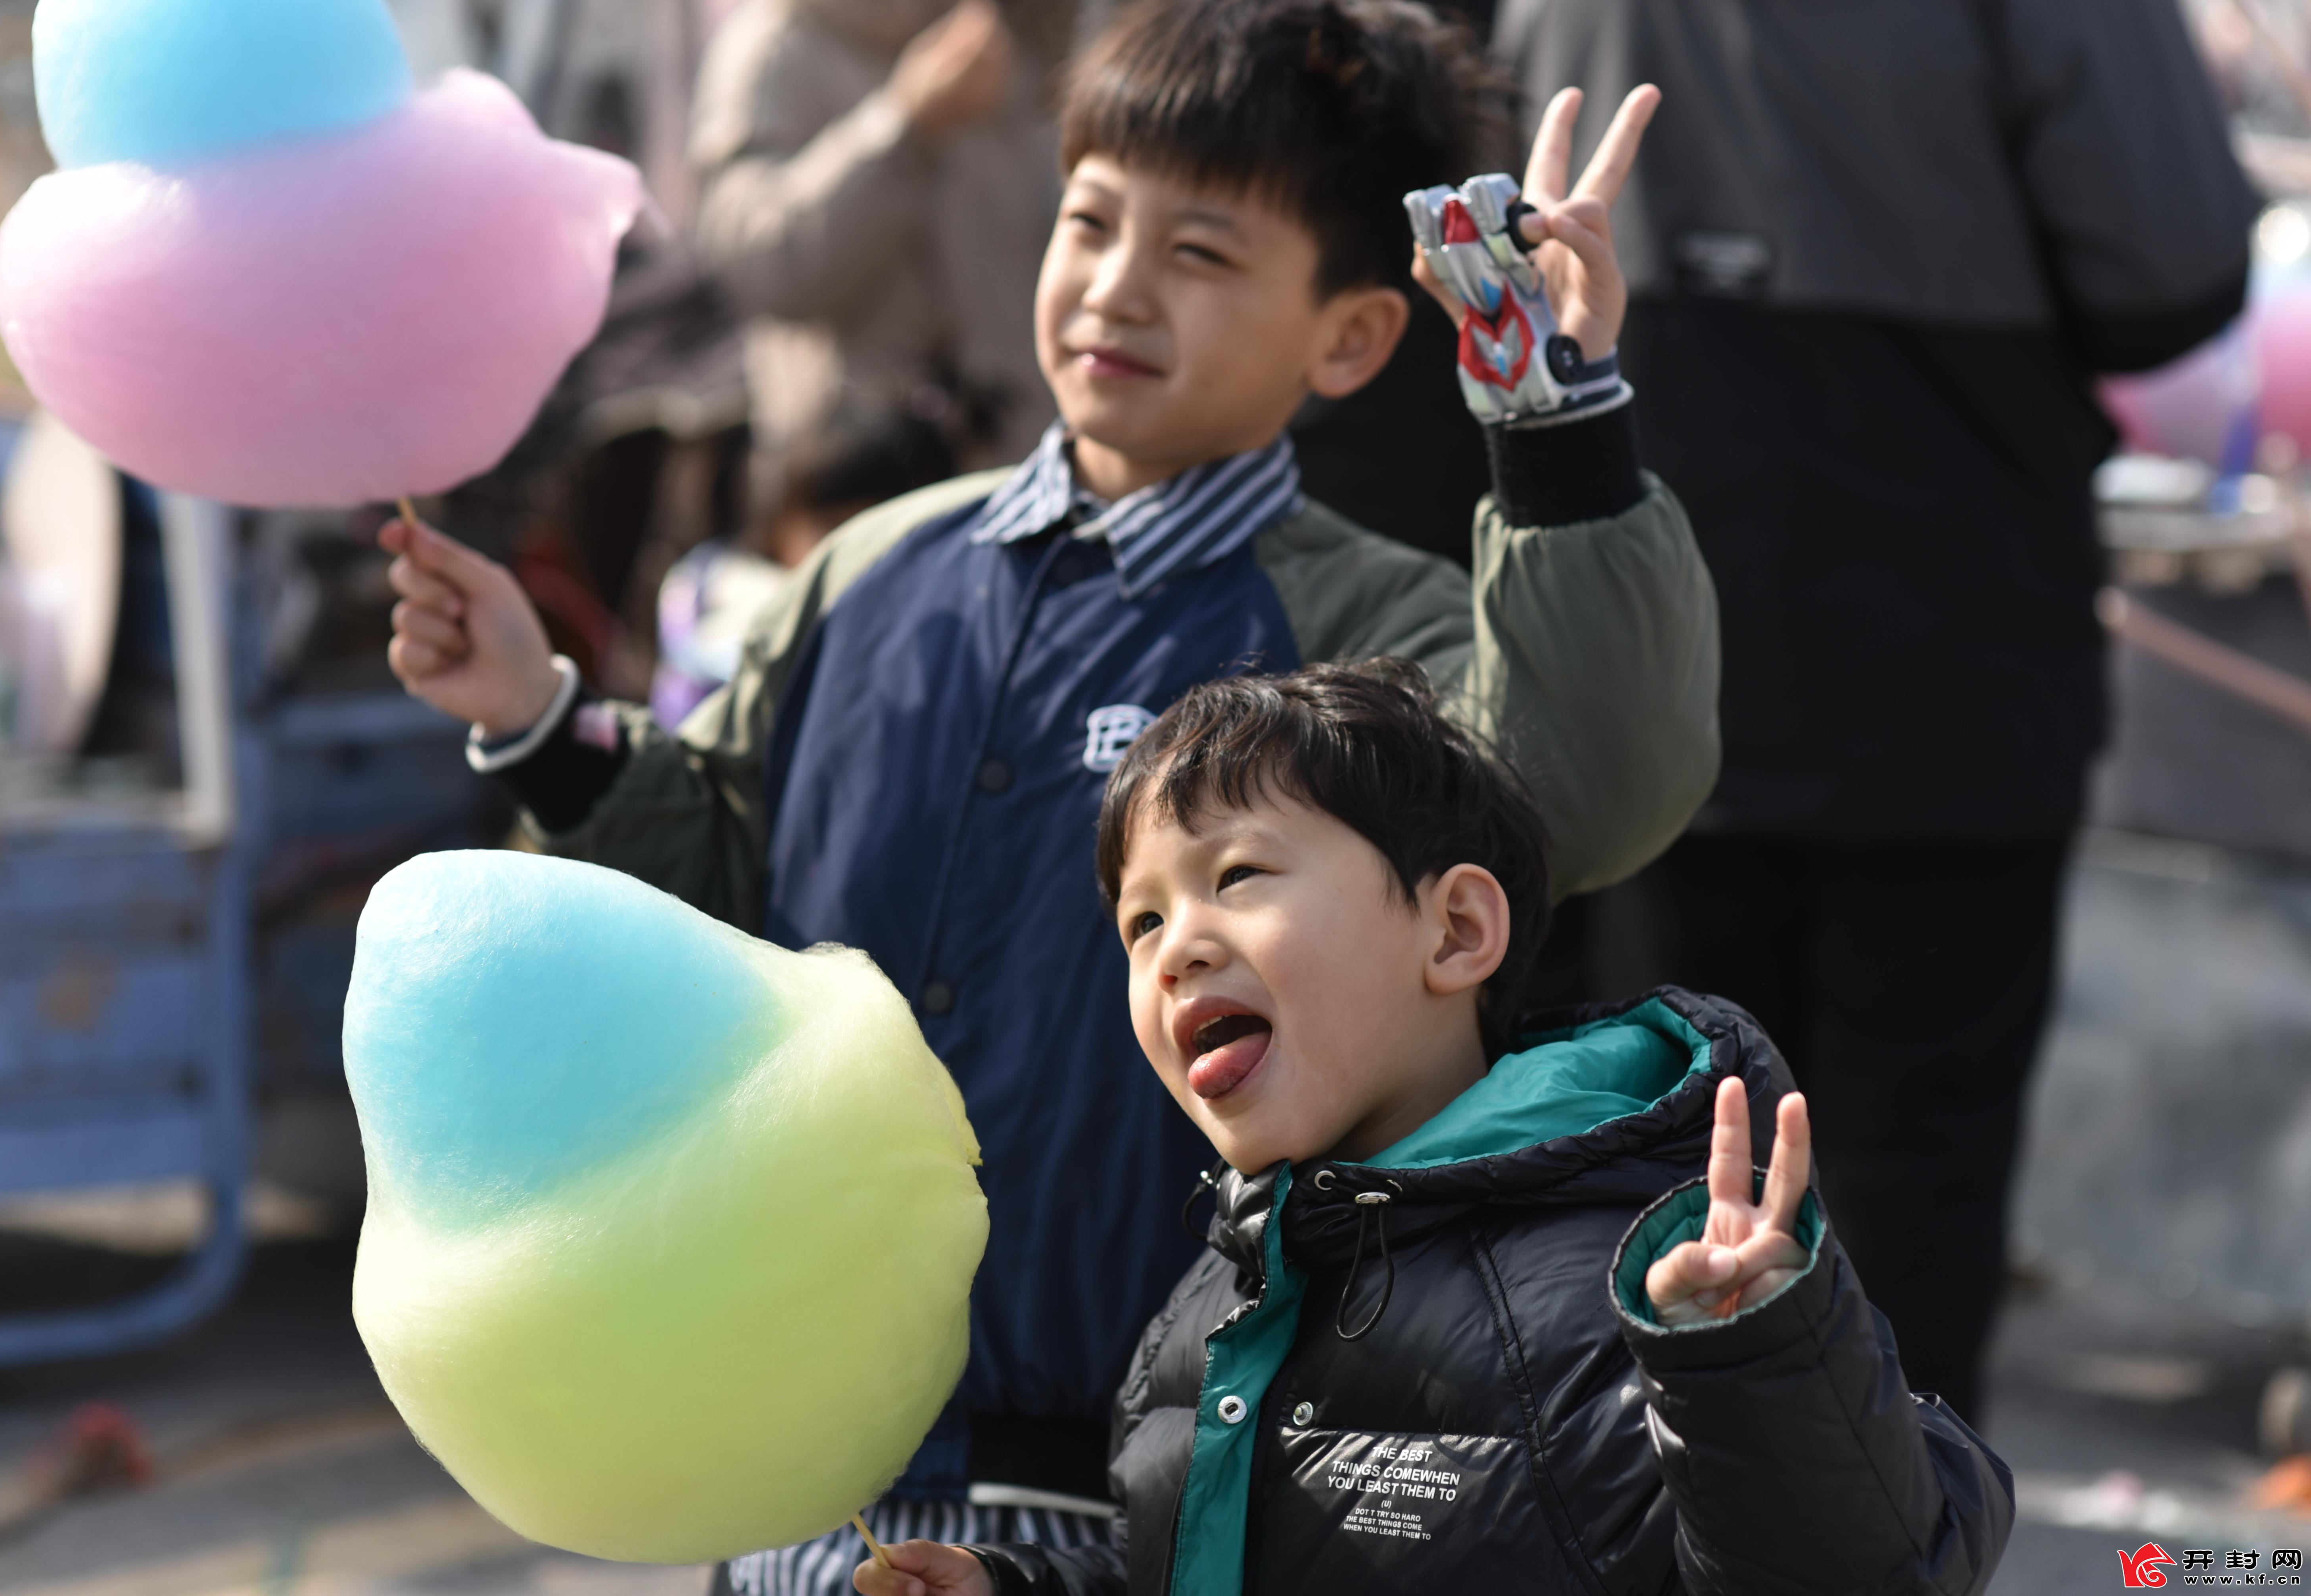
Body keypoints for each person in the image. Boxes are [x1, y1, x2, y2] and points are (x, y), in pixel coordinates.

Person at [380, 2, 1719, 1588]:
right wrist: (537, 711)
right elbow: (727, 871)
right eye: (1088, 219)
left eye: (1202, 254)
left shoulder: (1369, 631)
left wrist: (1547, 411)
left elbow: (1593, 779)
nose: (1115, 284)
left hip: (1161, 1493)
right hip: (797, 1472)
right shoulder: (875, 566)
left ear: (1349, 338)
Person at [1495, 0, 2261, 1422]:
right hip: (1937, 637)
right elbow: (2173, 268)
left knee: (1658, 1170)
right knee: (1905, 1188)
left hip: (1641, 637)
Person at [852, 660, 2014, 1596]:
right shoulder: (1221, 1300)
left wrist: (1752, 1359)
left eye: (1241, 873)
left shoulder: (1615, 1283)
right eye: (1140, 919)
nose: (1178, 945)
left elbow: (1858, 1565)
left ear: (1454, 930)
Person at [690, 0, 1074, 472]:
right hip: (852, 470)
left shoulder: (1005, 32)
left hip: (1018, 459)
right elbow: (760, 266)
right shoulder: (775, 46)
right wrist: (905, 124)